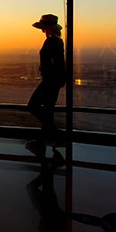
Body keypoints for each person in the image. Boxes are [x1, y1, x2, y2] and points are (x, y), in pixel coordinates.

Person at [27, 14, 66, 143]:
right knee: (48, 109)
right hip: (54, 80)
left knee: (33, 105)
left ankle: (53, 132)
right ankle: (43, 139)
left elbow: (56, 62)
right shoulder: (57, 40)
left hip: (50, 80)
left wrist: (51, 76)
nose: (43, 30)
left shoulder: (51, 41)